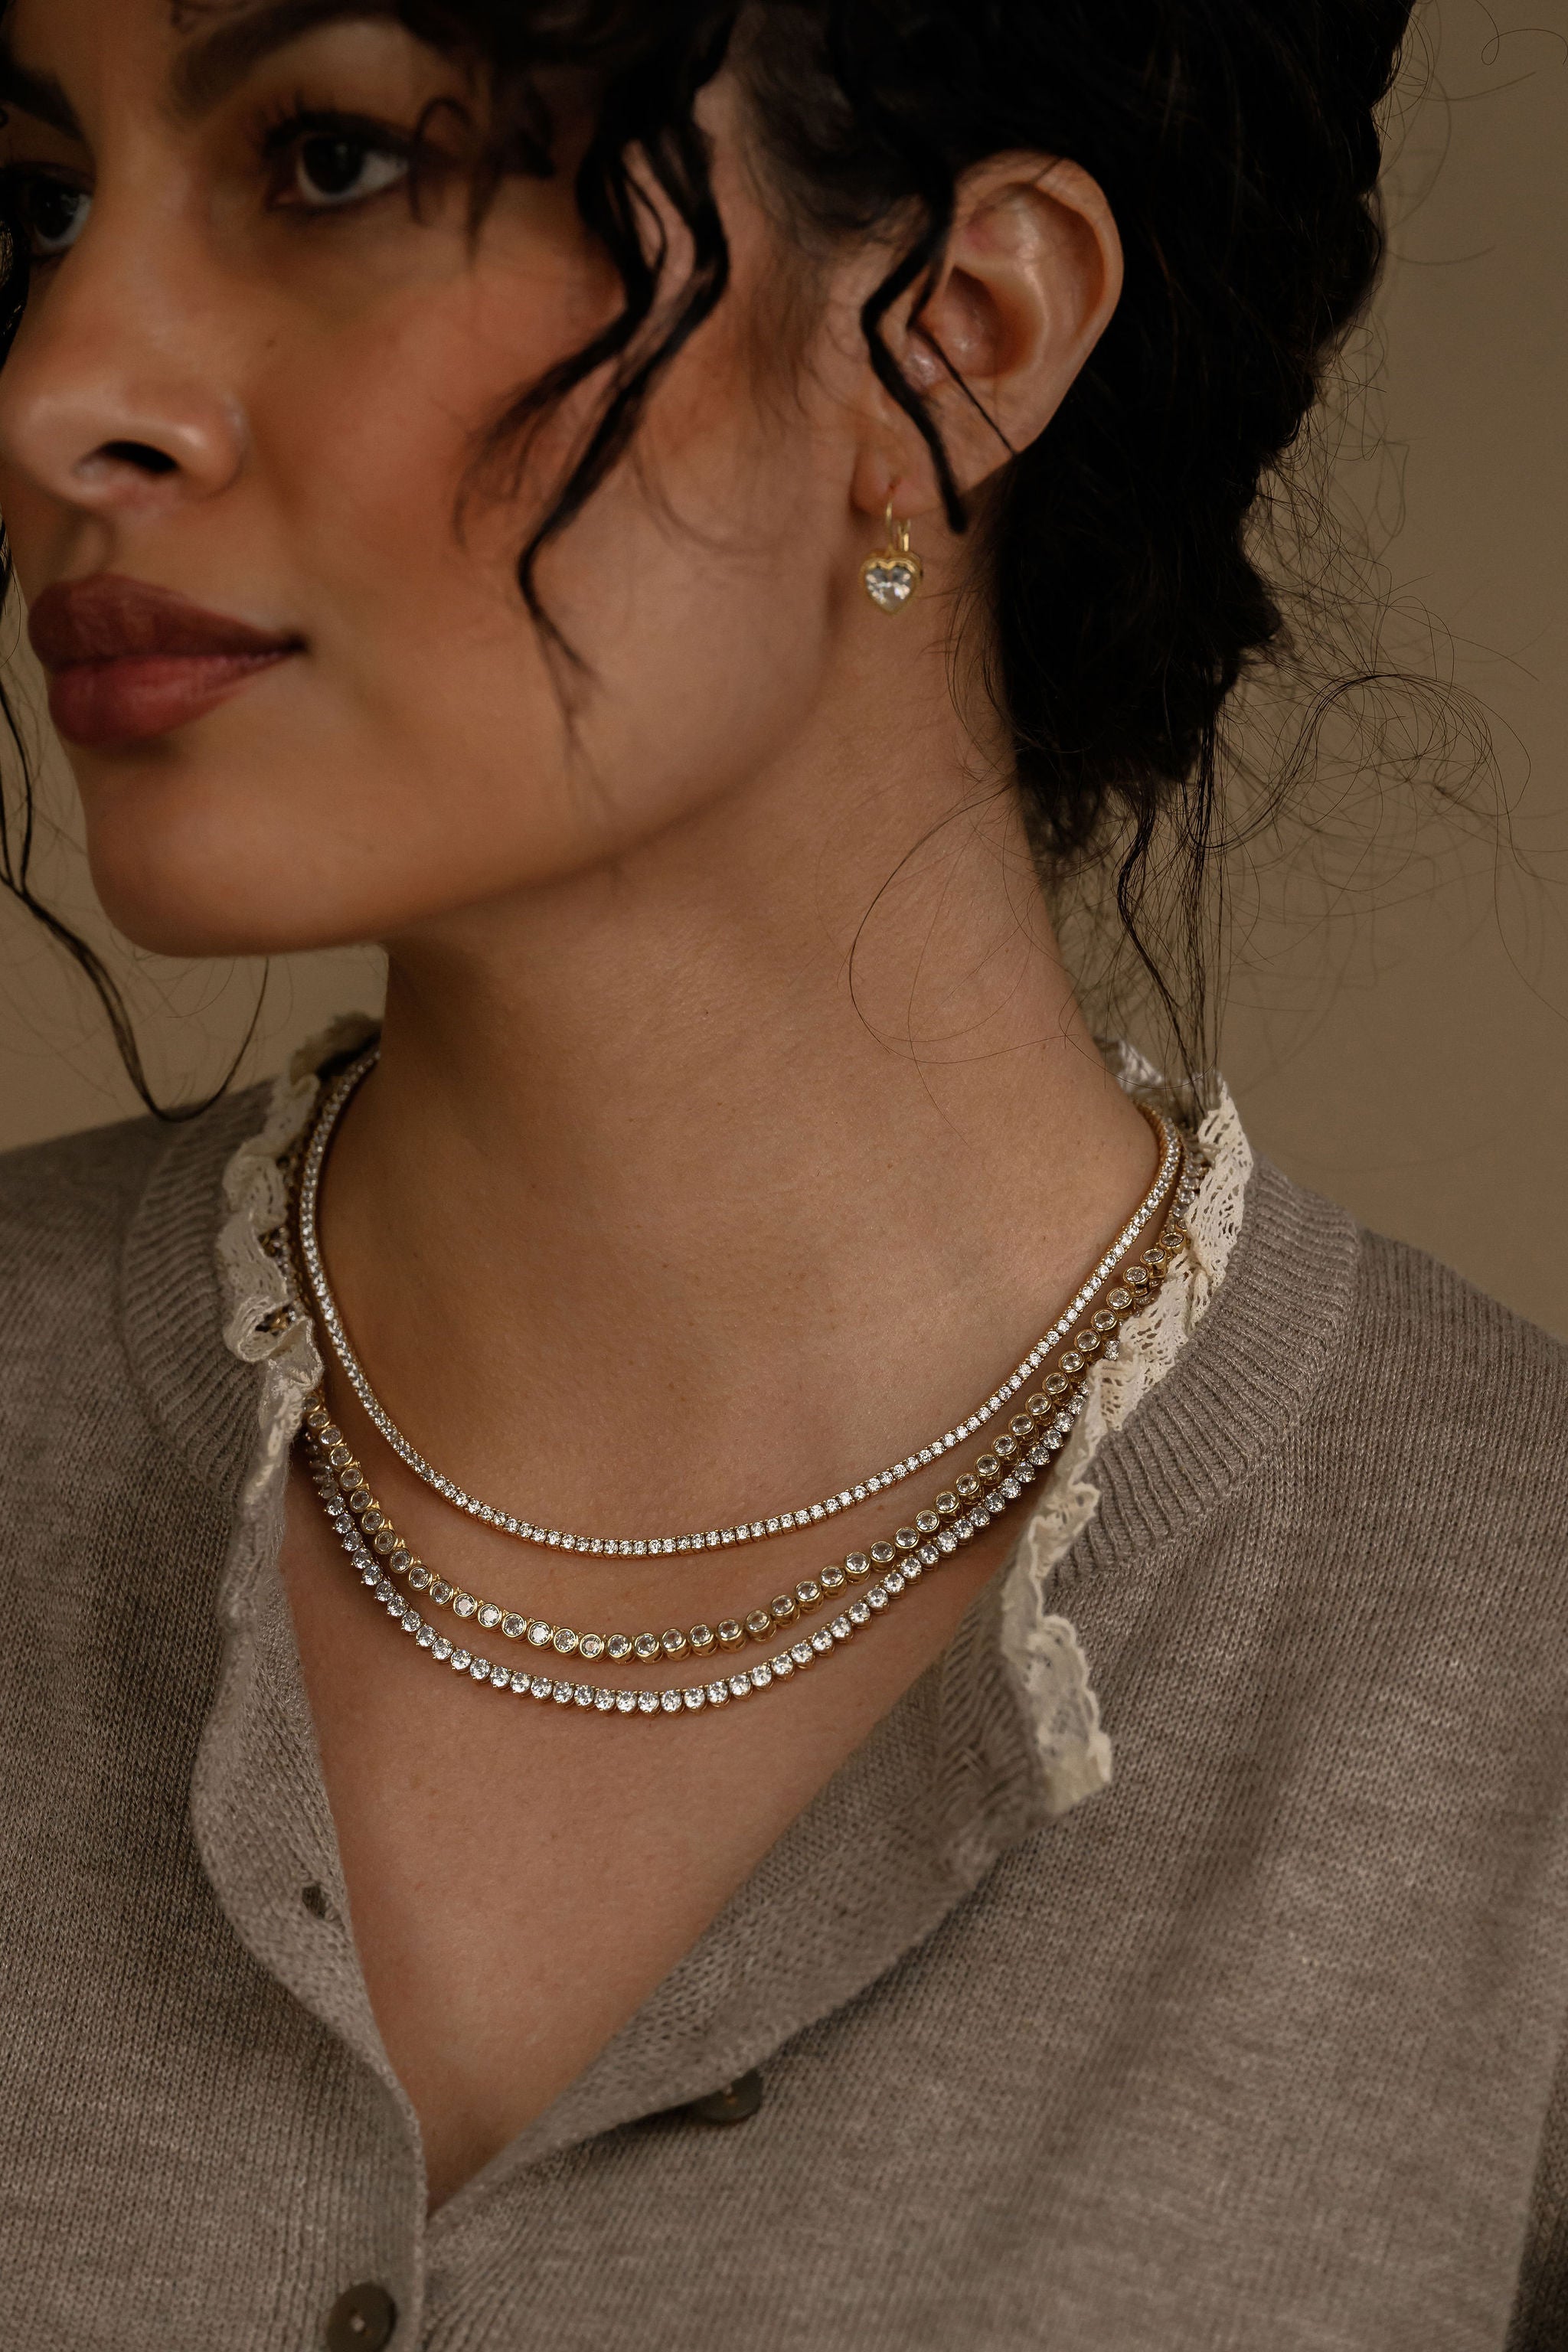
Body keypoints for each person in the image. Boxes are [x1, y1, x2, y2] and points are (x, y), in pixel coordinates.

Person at [0, 2, 1563, 2346]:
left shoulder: (1511, 1707)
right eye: (32, 207)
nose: (56, 388)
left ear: (957, 336)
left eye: (326, 160)